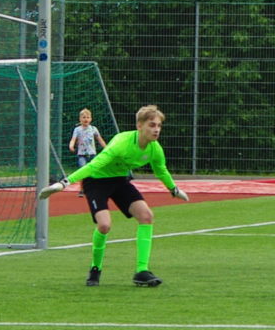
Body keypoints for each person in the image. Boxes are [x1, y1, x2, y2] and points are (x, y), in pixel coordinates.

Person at [38, 103, 189, 286]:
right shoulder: (122, 142)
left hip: (119, 181)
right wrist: (64, 183)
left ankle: (142, 271)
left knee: (146, 216)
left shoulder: (154, 149)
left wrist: (174, 190)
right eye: (151, 125)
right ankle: (95, 269)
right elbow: (95, 165)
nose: (156, 129)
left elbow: (161, 170)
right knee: (104, 225)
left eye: (158, 125)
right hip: (96, 180)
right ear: (139, 126)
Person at [68, 108, 105, 177]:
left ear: (91, 119)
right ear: (80, 119)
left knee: (94, 170)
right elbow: (73, 139)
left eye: (88, 117)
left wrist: (106, 147)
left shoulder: (93, 129)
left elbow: (100, 139)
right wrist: (71, 146)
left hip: (92, 154)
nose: (86, 119)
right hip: (82, 155)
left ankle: (94, 181)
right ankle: (84, 181)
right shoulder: (77, 129)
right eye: (84, 117)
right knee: (83, 170)